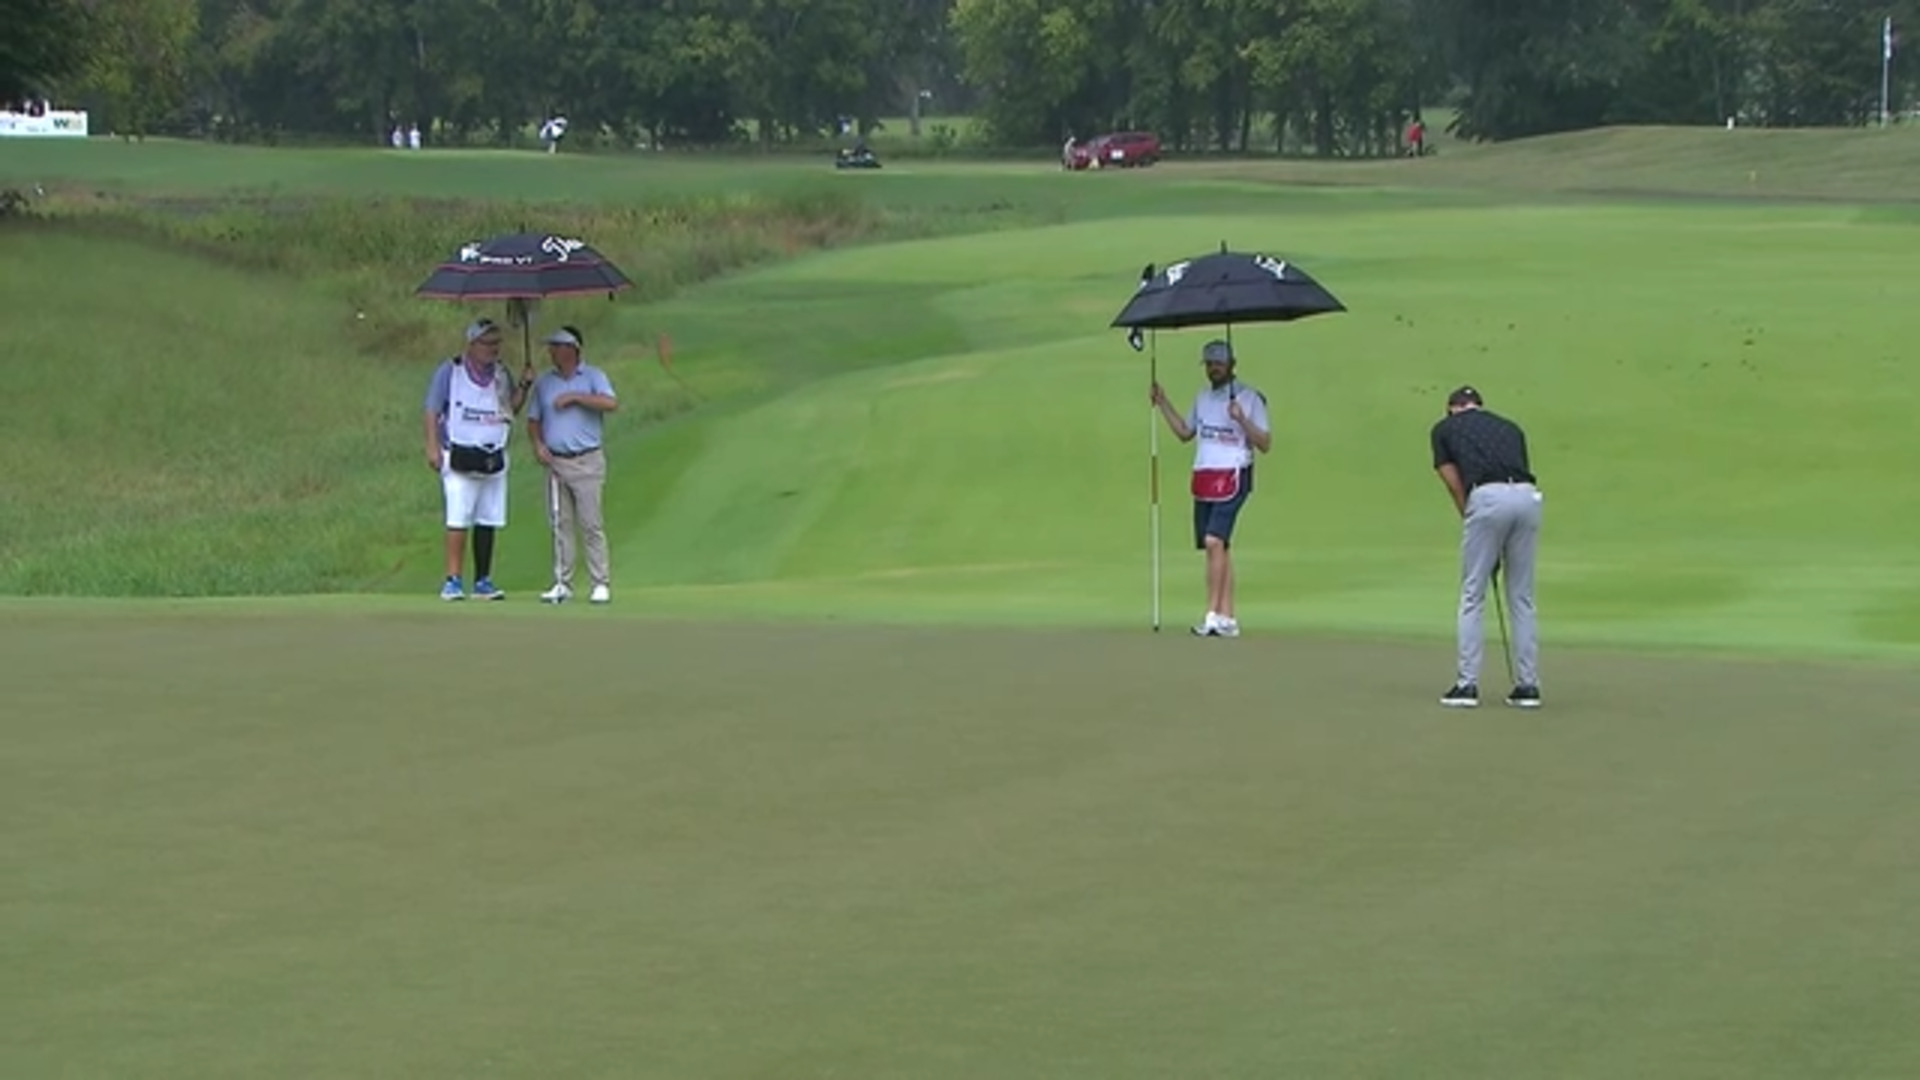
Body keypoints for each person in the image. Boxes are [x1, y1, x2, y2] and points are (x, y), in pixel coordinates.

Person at [1429, 385, 1543, 709]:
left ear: (1452, 408)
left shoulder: (1444, 429)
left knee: (1472, 592)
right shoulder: (1510, 426)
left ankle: (1466, 686)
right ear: (1478, 405)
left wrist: (1473, 522)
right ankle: (1528, 686)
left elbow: (1452, 481)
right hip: (1528, 497)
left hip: (1487, 497)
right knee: (1521, 596)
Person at [1150, 338, 1272, 637]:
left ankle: (1213, 615)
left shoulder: (1250, 398)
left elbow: (1265, 443)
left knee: (1214, 541)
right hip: (1205, 475)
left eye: (1219, 363)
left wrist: (1242, 420)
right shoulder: (1203, 397)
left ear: (1232, 364)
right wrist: (1162, 402)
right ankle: (1228, 617)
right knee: (1220, 546)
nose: (1214, 368)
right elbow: (1185, 432)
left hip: (1234, 473)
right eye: (1209, 364)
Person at [423, 318, 532, 601]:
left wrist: (524, 386)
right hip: (459, 452)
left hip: (492, 453)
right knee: (458, 518)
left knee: (488, 518)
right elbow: (432, 409)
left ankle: (483, 580)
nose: (493, 349)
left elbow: (510, 408)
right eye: (487, 343)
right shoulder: (451, 371)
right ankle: (453, 580)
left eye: (497, 343)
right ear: (472, 344)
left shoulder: (500, 374)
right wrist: (432, 446)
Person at [527, 326, 620, 604]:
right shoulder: (545, 382)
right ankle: (562, 582)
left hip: (587, 460)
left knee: (591, 523)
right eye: (551, 346)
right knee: (560, 524)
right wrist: (539, 445)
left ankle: (600, 582)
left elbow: (610, 403)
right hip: (556, 461)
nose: (552, 351)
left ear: (572, 348)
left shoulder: (593, 376)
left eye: (557, 346)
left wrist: (577, 397)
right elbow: (533, 420)